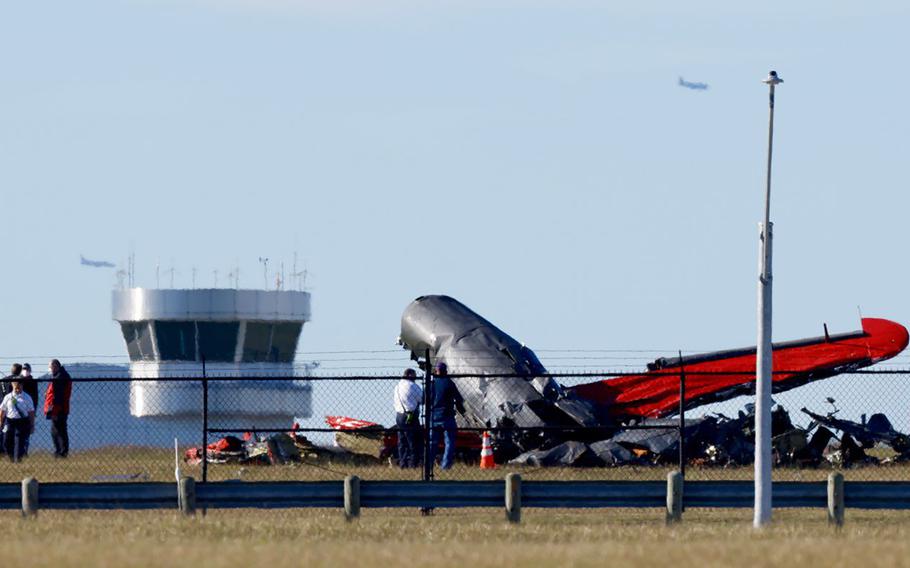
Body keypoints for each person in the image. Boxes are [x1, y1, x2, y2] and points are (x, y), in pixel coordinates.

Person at [428, 361, 465, 470]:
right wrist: (461, 409)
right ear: (446, 371)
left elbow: (426, 399)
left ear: (436, 370)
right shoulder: (449, 383)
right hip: (447, 415)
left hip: (433, 416)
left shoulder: (431, 383)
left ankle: (428, 466)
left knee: (432, 443)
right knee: (449, 442)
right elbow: (459, 399)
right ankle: (445, 466)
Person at [394, 368, 423, 468]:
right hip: (410, 416)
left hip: (399, 416)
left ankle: (402, 463)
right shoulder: (413, 386)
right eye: (414, 375)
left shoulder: (397, 386)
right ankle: (413, 464)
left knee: (402, 441)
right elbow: (422, 399)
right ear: (410, 375)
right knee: (413, 440)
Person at [0, 381, 36, 462]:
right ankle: (11, 456)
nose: (17, 390)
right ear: (12, 386)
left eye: (19, 388)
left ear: (22, 386)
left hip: (21, 421)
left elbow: (31, 412)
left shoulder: (27, 397)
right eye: (16, 388)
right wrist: (1, 421)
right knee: (6, 440)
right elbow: (2, 410)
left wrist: (32, 424)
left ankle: (17, 460)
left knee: (19, 441)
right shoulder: (8, 397)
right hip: (9, 421)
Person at [44, 359, 72, 458]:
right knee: (56, 430)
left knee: (59, 431)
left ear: (56, 366)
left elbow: (58, 397)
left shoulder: (60, 378)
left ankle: (61, 452)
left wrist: (55, 411)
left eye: (51, 367)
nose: (50, 370)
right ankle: (60, 451)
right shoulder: (59, 376)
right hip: (59, 408)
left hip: (59, 409)